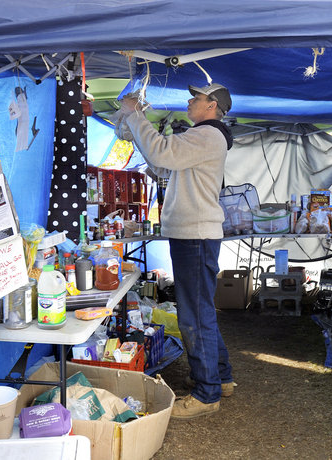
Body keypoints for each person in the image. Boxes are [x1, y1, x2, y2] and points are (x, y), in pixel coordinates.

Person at [112, 83, 235, 419]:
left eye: (196, 98)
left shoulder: (208, 135)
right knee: (201, 311)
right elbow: (166, 165)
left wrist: (137, 115)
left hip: (194, 236)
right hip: (194, 235)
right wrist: (137, 131)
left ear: (212, 105)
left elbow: (164, 153)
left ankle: (207, 395)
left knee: (194, 317)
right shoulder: (203, 137)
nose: (189, 101)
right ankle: (220, 379)